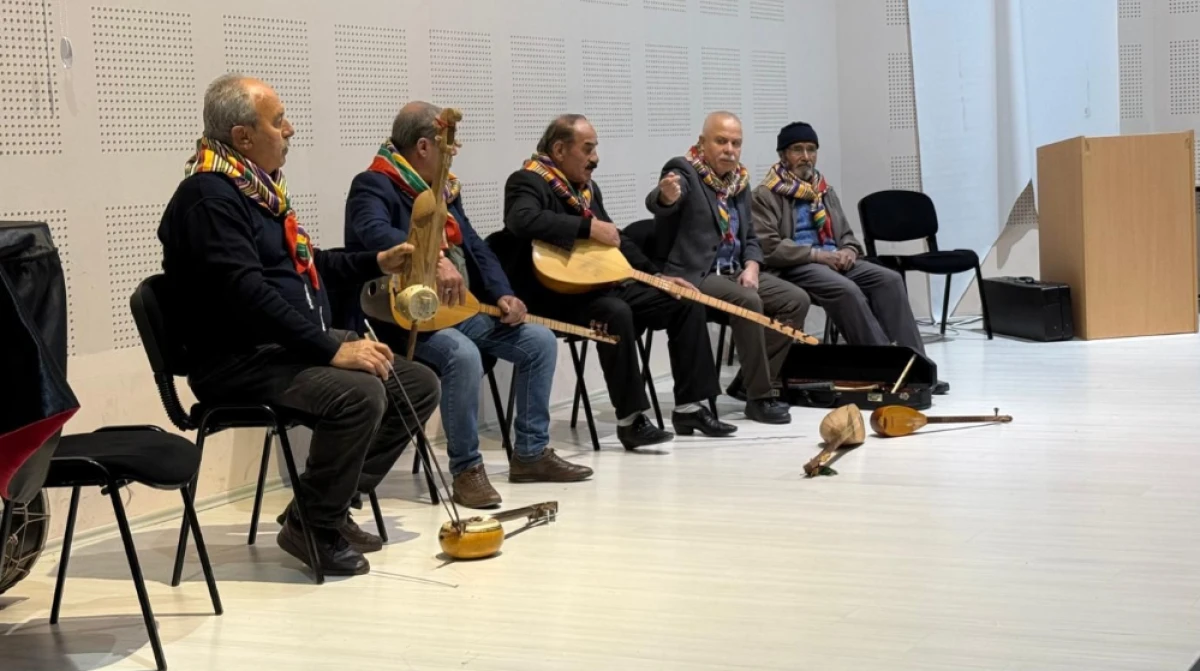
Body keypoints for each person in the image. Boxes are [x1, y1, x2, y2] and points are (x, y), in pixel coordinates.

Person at [158, 74, 440, 576]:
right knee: (361, 394)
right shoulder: (208, 198)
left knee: (415, 384)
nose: (289, 130)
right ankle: (315, 523)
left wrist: (376, 260)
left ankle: (319, 506)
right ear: (243, 137)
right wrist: (330, 349)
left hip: (279, 347)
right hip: (238, 359)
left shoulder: (255, 190)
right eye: (278, 120)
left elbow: (305, 269)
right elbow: (247, 295)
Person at [344, 102, 593, 509]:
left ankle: (531, 454)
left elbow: (473, 246)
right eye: (447, 146)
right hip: (406, 319)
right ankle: (466, 470)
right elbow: (372, 233)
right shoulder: (374, 184)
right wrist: (432, 258)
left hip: (459, 310)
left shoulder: (445, 190)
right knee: (462, 354)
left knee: (539, 341)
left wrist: (502, 294)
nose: (452, 153)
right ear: (424, 146)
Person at [494, 114, 735, 449]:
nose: (595, 158)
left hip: (594, 286)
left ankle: (690, 407)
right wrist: (587, 228)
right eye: (588, 148)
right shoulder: (527, 180)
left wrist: (658, 277)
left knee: (683, 299)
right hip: (550, 296)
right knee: (615, 312)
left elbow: (616, 242)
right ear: (560, 149)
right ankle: (631, 420)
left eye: (596, 149)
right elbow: (522, 220)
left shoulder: (587, 190)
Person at [751, 121, 947, 394]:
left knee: (889, 280)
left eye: (811, 149)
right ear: (782, 155)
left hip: (834, 259)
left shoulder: (823, 189)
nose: (806, 157)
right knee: (846, 289)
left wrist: (849, 251)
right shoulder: (765, 194)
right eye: (797, 150)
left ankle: (917, 366)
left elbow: (847, 235)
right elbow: (770, 247)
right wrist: (818, 255)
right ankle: (887, 369)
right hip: (799, 264)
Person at [645, 112, 810, 424]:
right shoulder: (683, 170)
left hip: (734, 270)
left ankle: (747, 384)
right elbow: (659, 203)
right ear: (703, 142)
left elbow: (750, 237)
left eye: (736, 143)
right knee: (748, 301)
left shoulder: (739, 182)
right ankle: (760, 398)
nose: (729, 149)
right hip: (696, 274)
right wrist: (665, 197)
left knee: (795, 300)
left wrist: (751, 266)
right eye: (721, 141)